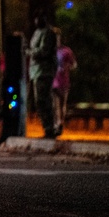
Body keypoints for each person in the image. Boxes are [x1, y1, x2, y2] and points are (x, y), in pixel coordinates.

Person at [27, 10, 59, 139]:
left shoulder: (48, 33)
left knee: (43, 100)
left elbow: (44, 51)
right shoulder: (37, 32)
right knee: (39, 101)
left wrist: (29, 52)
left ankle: (50, 128)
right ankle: (47, 128)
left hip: (44, 71)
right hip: (36, 71)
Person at [51, 31, 77, 138]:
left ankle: (61, 122)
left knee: (63, 104)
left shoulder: (66, 51)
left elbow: (74, 64)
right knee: (55, 104)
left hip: (64, 81)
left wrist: (67, 67)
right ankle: (57, 123)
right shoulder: (51, 52)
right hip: (53, 81)